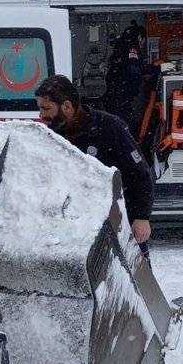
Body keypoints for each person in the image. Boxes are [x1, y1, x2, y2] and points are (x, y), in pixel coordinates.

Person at [34, 74, 153, 250]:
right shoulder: (52, 134)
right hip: (77, 227)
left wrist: (142, 217)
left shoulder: (109, 127)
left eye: (46, 108)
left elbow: (140, 173)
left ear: (67, 106)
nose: (41, 115)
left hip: (118, 218)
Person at [103, 22, 149, 132]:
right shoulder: (131, 49)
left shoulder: (121, 48)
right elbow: (134, 68)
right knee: (126, 128)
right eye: (143, 39)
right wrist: (157, 68)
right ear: (140, 37)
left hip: (116, 96)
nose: (143, 43)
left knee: (122, 126)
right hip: (119, 97)